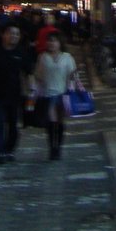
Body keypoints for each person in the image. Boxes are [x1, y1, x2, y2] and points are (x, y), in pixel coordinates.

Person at [0, 23, 31, 164]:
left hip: (15, 95)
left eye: (16, 34)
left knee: (13, 125)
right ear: (3, 35)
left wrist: (31, 90)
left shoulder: (21, 53)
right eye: (11, 33)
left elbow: (29, 72)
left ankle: (9, 149)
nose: (14, 36)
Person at [32, 32, 79, 160]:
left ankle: (58, 146)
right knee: (51, 122)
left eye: (54, 41)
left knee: (60, 122)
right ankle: (52, 148)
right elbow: (38, 77)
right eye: (49, 41)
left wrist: (74, 87)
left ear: (60, 43)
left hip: (63, 95)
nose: (51, 43)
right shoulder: (43, 57)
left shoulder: (67, 57)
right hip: (47, 94)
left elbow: (73, 75)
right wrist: (34, 94)